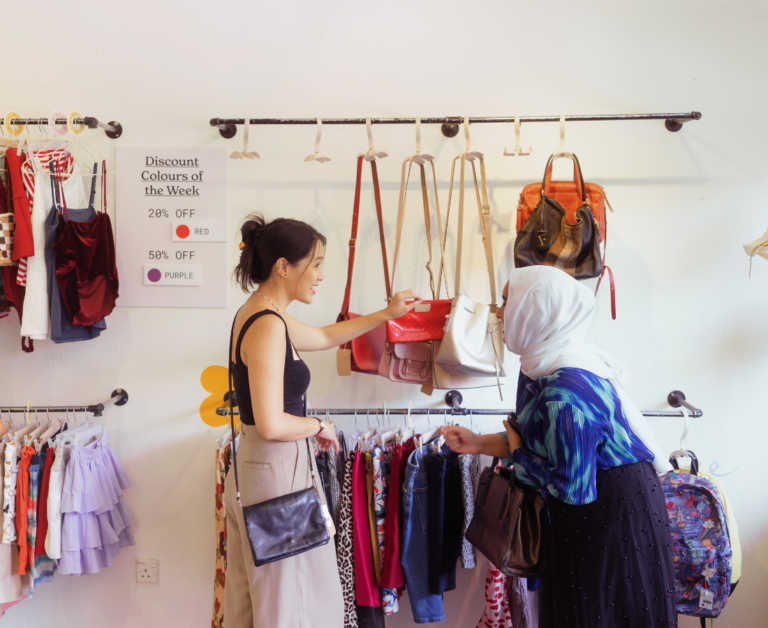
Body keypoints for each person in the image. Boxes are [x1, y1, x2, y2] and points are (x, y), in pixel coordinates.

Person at [440, 266, 677, 628]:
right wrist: (477, 443)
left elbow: (573, 489)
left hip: (610, 511)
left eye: (507, 301)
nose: (499, 312)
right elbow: (543, 442)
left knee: (598, 612)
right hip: (597, 499)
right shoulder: (543, 366)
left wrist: (519, 455)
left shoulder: (564, 392)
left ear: (535, 312)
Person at [224, 214, 420, 628]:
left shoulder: (262, 312)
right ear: (284, 266)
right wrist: (319, 426)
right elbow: (272, 423)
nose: (320, 275)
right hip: (276, 467)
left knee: (264, 599)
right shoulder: (268, 325)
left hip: (265, 468)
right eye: (315, 264)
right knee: (289, 601)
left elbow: (328, 336)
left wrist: (387, 313)